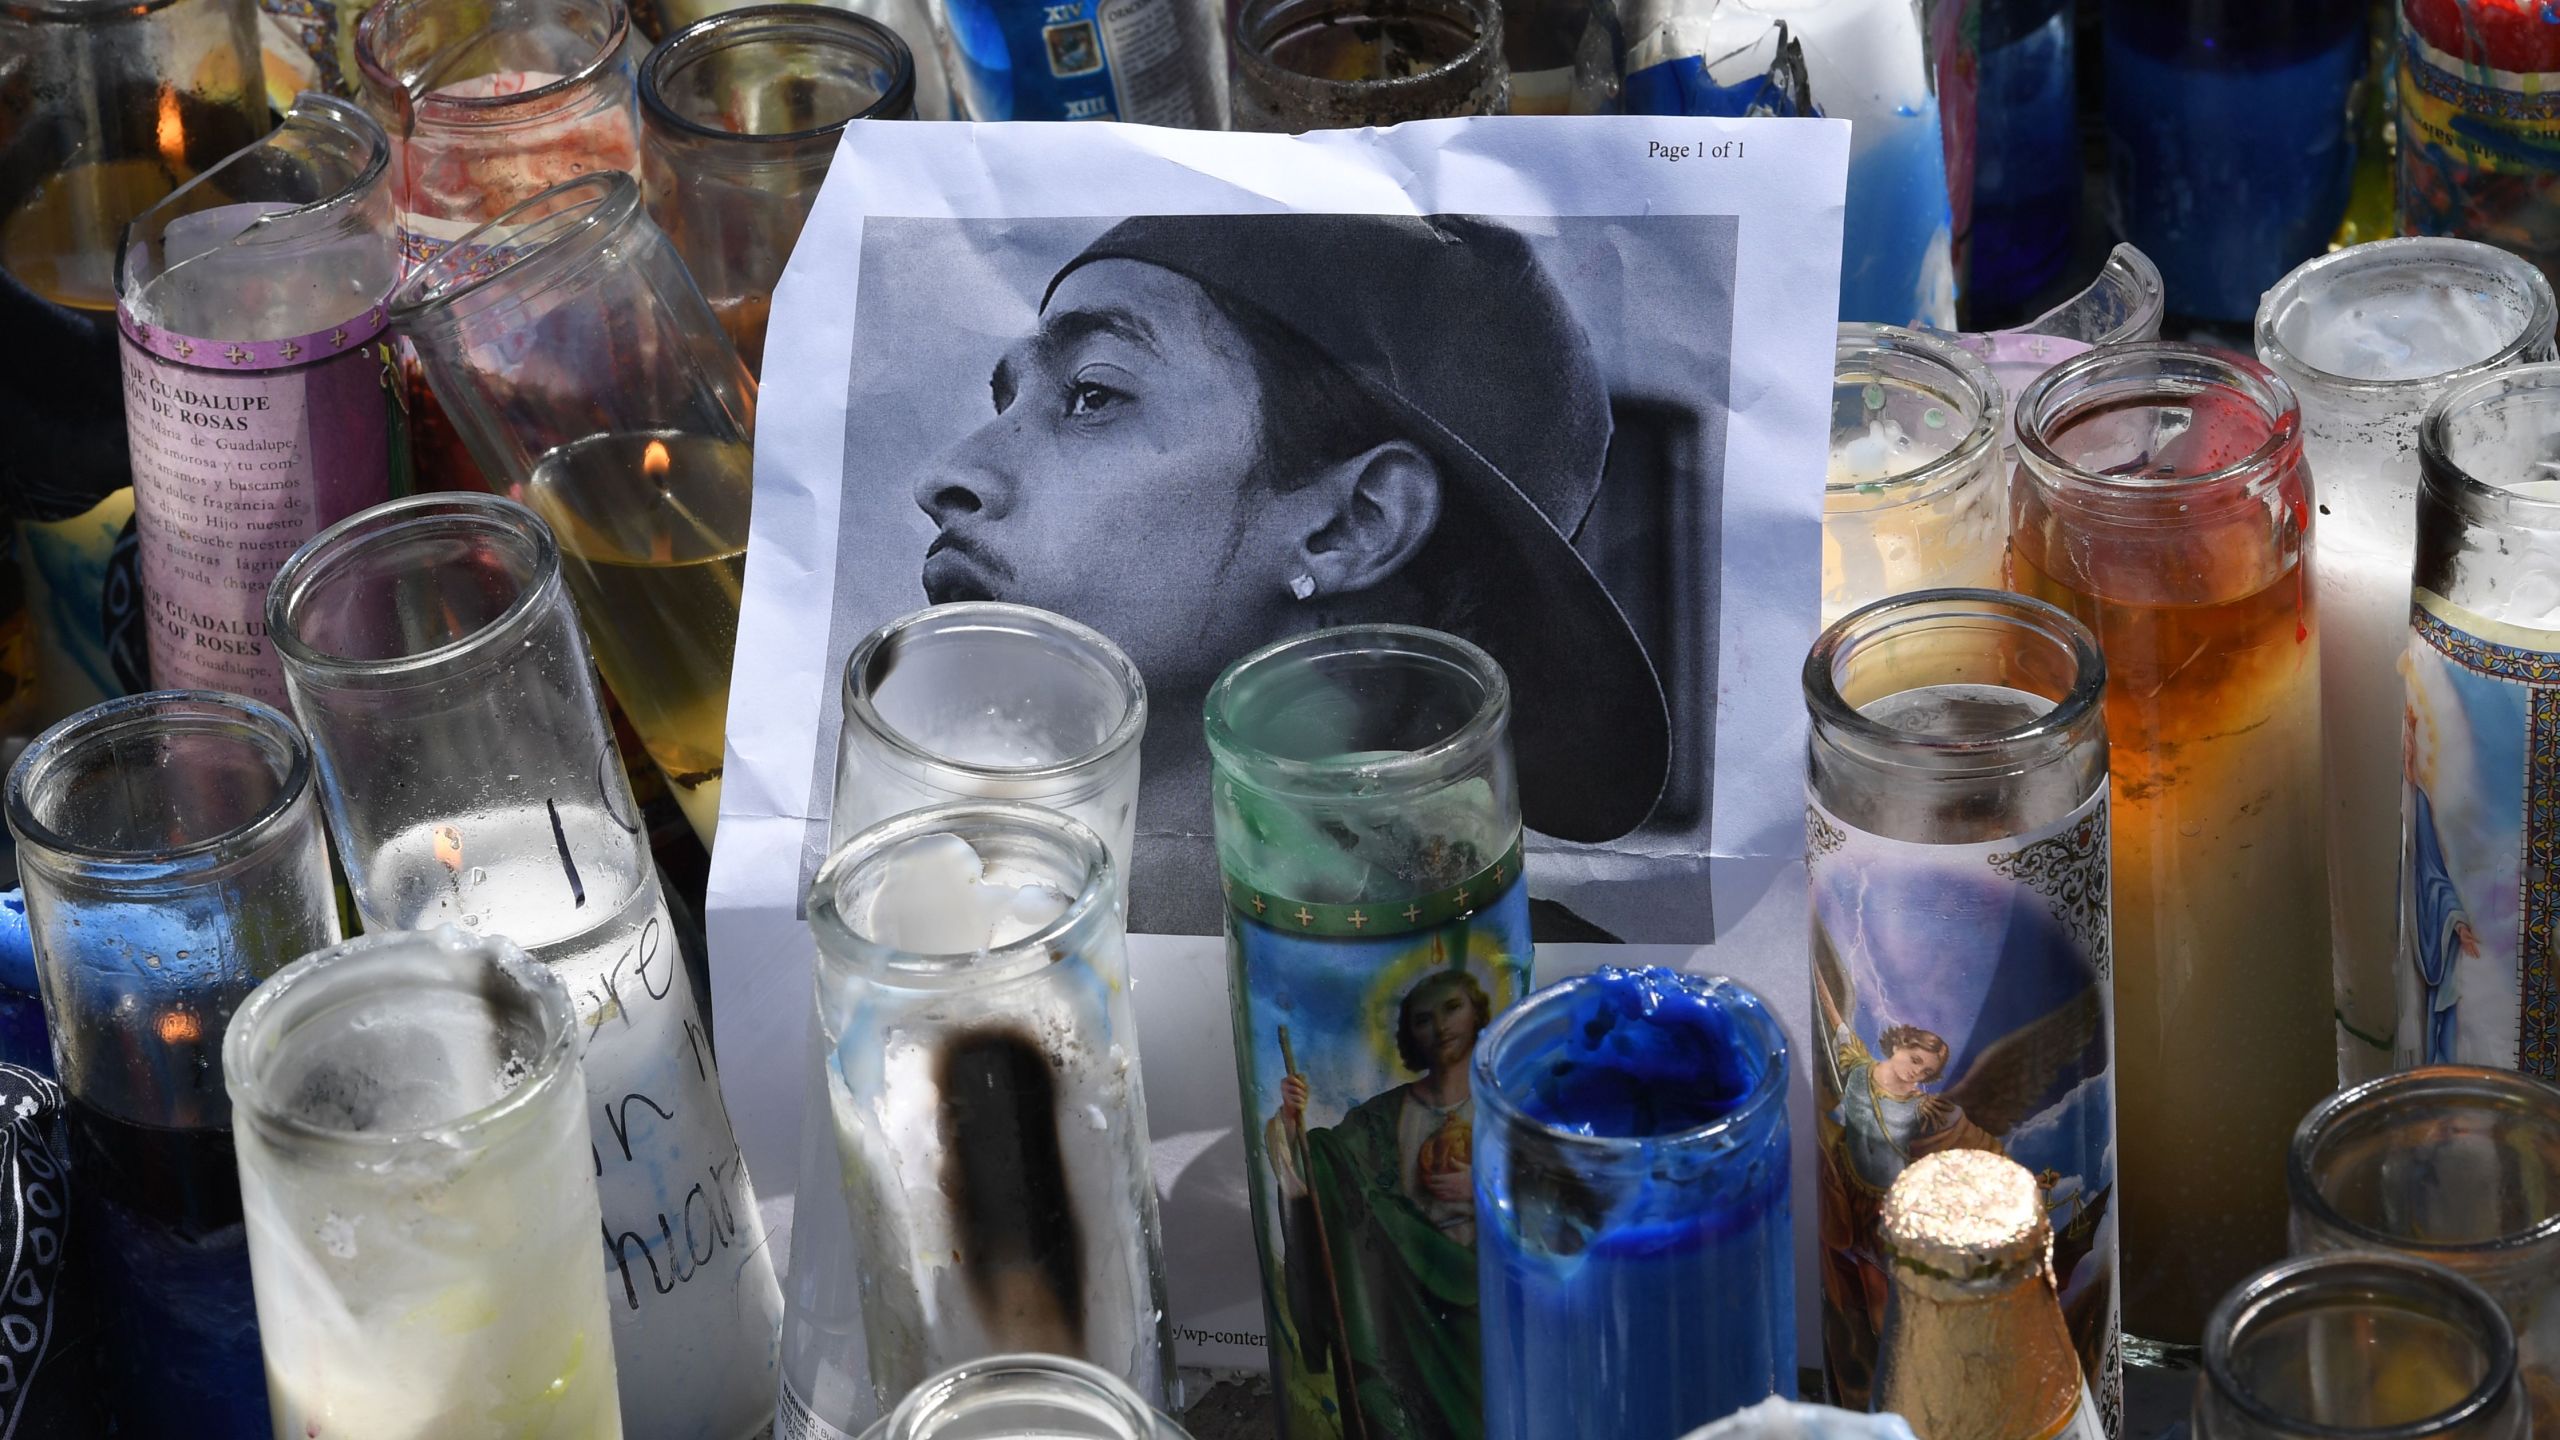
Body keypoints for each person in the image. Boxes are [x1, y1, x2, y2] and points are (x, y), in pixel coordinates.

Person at [909, 213, 1673, 935]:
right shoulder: (914, 923)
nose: (947, 476)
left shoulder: (1547, 1031)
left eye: (1092, 395)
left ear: (1352, 525)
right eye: (1009, 401)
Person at [1263, 969, 1491, 1440]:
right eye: (1425, 1019)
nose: (1441, 1026)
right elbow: (1322, 1169)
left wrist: (1483, 1187)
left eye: (1453, 1008)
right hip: (1401, 1312)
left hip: (1483, 1300)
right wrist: (1290, 1122)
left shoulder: (1508, 1101)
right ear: (1411, 1035)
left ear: (1477, 1010)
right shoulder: (1384, 1117)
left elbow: (1556, 1187)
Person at [2403, 696, 2473, 1066]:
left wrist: (2455, 921)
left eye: (2411, 742)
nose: (2407, 751)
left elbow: (2434, 875)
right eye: (2406, 741)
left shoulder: (2421, 805)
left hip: (2431, 934)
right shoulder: (2404, 800)